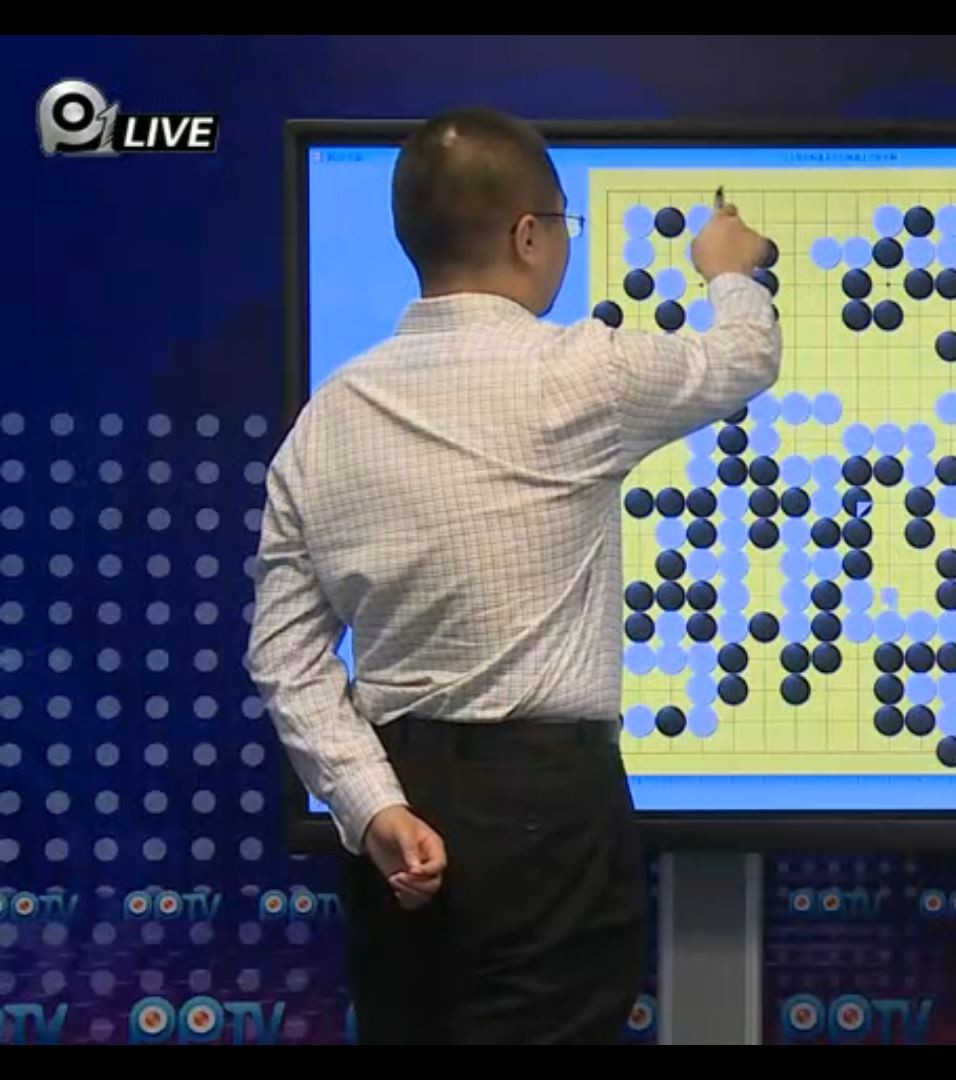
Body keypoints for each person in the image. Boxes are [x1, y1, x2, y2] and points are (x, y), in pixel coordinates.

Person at [246, 108, 779, 1044]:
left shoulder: (326, 418)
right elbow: (744, 357)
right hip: (547, 816)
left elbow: (283, 657)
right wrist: (729, 271)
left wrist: (372, 806)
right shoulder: (582, 371)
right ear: (529, 235)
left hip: (402, 816)